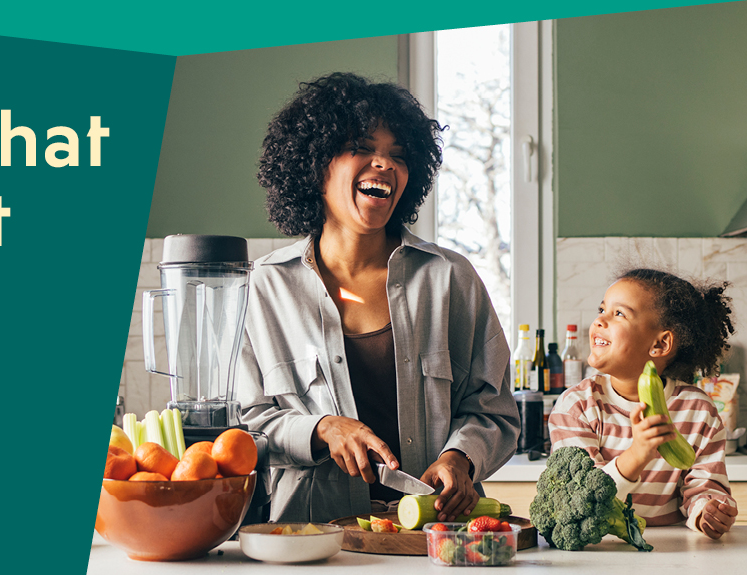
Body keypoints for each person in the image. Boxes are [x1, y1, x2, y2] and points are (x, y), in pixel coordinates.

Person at [236, 72, 520, 523]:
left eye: (398, 155)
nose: (384, 165)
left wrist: (461, 458)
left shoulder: (450, 279)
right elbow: (243, 425)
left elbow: (495, 410)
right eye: (363, 148)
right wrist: (320, 429)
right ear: (316, 166)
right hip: (313, 542)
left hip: (437, 538)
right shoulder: (263, 288)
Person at [549, 268, 738, 539]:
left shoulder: (699, 411)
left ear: (660, 344)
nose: (600, 320)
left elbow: (704, 485)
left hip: (672, 552)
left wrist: (708, 509)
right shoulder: (576, 406)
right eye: (602, 309)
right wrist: (638, 454)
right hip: (600, 548)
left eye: (619, 314)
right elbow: (579, 500)